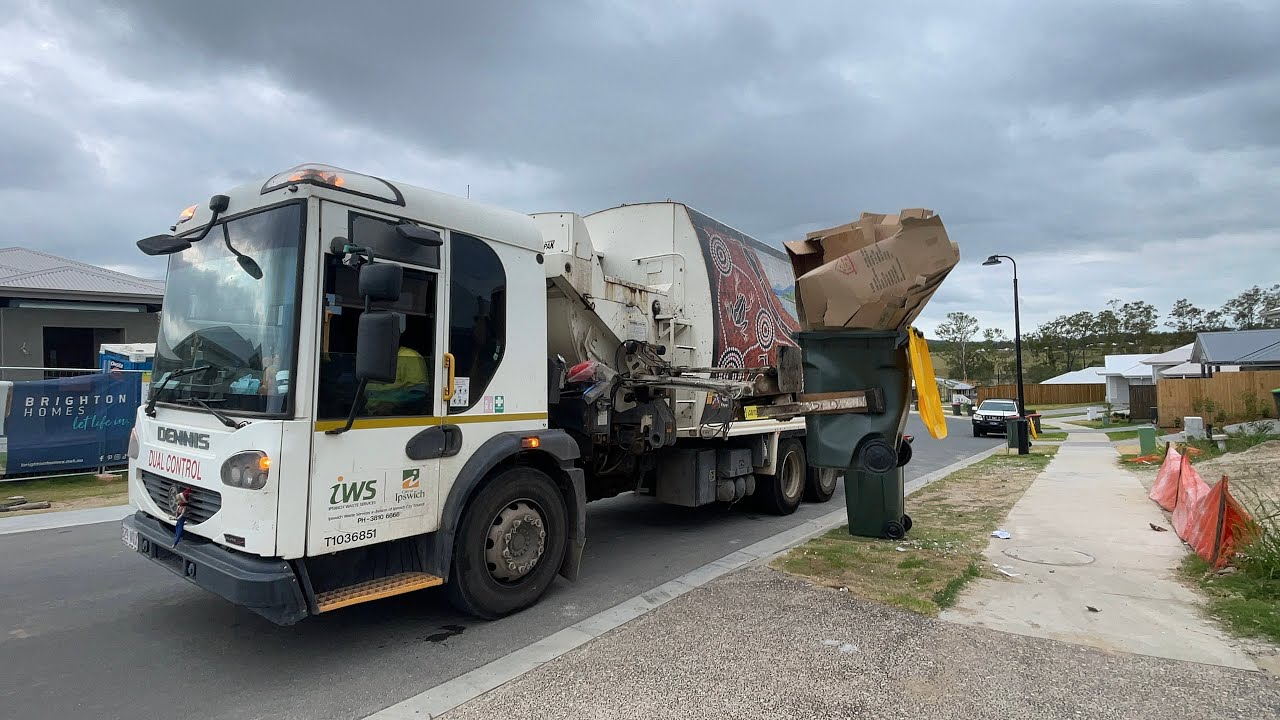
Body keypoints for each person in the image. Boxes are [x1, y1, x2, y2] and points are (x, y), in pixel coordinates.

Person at [364, 319, 430, 416]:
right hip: (368, 416)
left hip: (395, 416)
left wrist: (392, 406)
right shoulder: (373, 358)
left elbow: (418, 393)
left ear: (396, 337)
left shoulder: (410, 356)